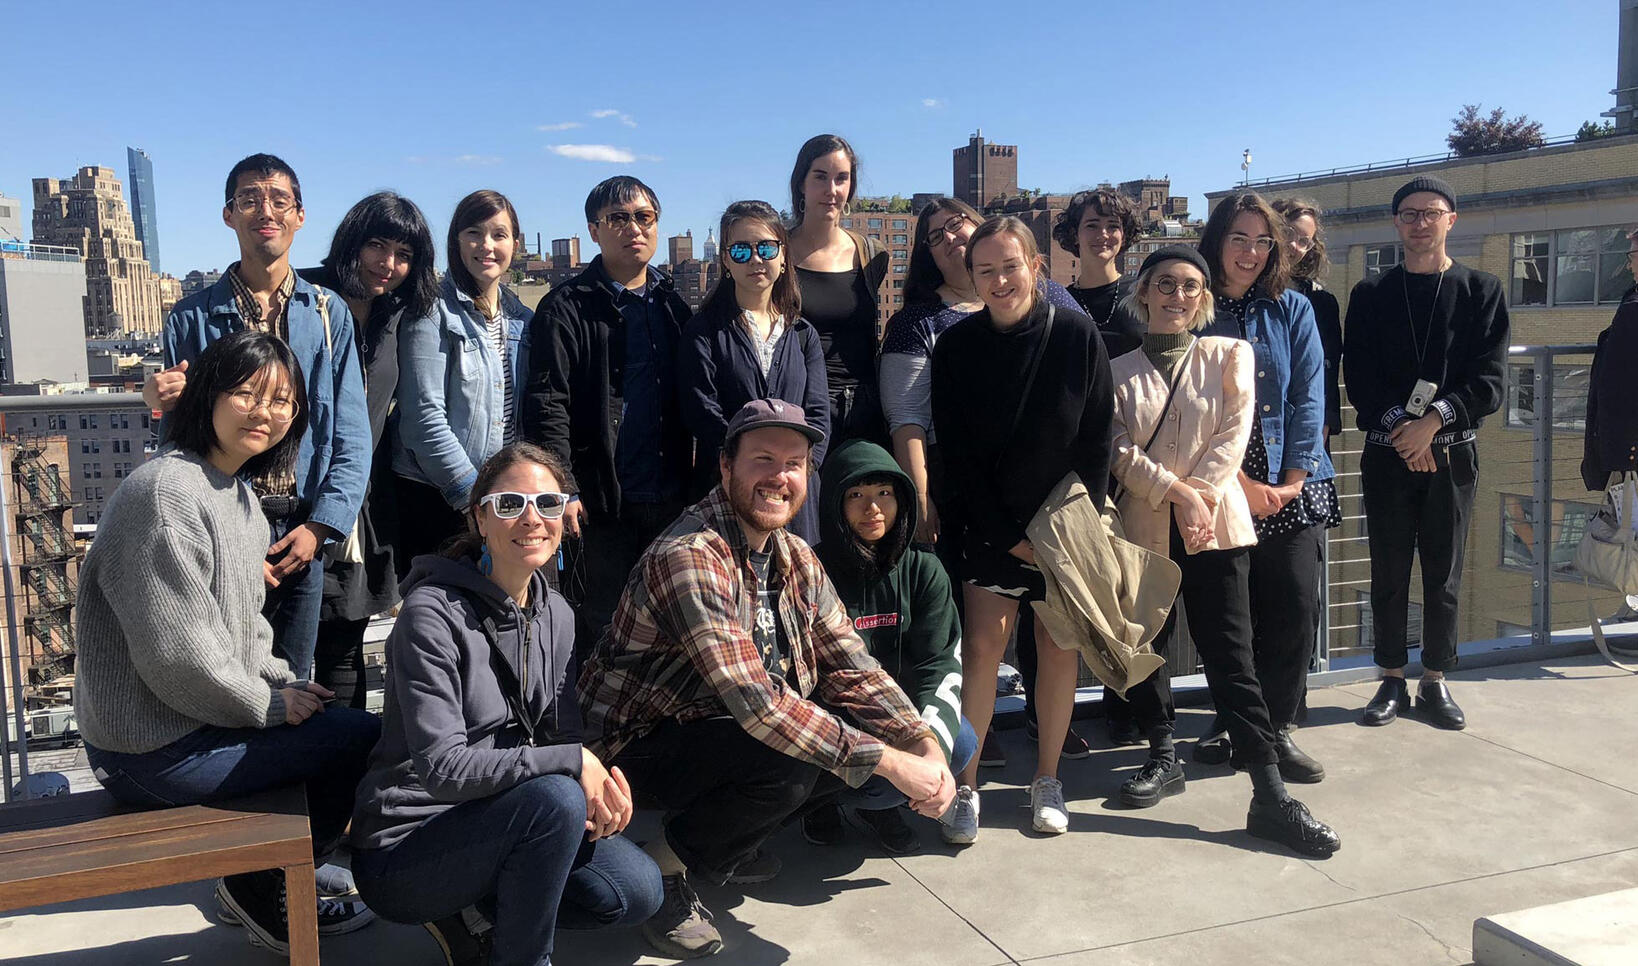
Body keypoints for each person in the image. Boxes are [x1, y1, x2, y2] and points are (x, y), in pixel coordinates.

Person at [579, 399, 953, 959]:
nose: (780, 476)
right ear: (725, 467)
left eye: (795, 463)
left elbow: (852, 666)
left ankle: (730, 838)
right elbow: (759, 706)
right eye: (763, 459)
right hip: (628, 749)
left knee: (876, 745)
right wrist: (894, 762)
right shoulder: (689, 555)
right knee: (803, 757)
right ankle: (667, 869)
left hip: (714, 728)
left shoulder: (794, 555)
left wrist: (923, 745)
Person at [79, 330, 382, 952]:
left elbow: (244, 633)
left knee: (335, 720)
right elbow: (177, 655)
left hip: (195, 724)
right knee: (361, 741)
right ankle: (259, 884)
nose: (264, 412)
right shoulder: (166, 494)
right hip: (150, 748)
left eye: (281, 401)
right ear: (206, 396)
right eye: (246, 393)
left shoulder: (238, 496)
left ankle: (276, 866)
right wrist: (270, 706)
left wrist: (283, 684)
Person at [351, 443, 662, 966]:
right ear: (479, 516)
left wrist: (600, 794)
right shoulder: (432, 614)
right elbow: (444, 770)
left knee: (634, 892)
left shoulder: (556, 613)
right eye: (510, 504)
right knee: (556, 798)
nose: (531, 518)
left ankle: (481, 909)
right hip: (408, 848)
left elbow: (561, 739)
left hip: (500, 816)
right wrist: (571, 767)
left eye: (547, 503)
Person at [1108, 246, 1340, 858]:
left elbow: (1234, 435)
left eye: (1189, 286)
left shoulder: (1230, 354)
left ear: (1204, 297)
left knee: (1231, 653)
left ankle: (1268, 791)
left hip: (1216, 528)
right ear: (1143, 292)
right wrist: (1177, 493)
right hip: (1147, 530)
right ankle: (1163, 752)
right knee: (1146, 646)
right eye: (1164, 285)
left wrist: (1197, 499)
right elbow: (1118, 450)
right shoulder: (1117, 370)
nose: (1176, 296)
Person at [877, 199, 1090, 766]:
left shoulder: (1064, 315)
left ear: (1033, 264)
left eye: (957, 225)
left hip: (1060, 510)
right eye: (934, 235)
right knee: (977, 640)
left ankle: (1049, 743)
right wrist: (921, 494)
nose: (949, 237)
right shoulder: (926, 326)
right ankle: (971, 747)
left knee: (1055, 641)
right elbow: (911, 418)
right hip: (971, 497)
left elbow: (1091, 416)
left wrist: (1083, 516)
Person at [145, 153, 369, 681]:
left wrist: (322, 525)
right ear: (229, 215)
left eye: (278, 200)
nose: (264, 211)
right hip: (220, 522)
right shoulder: (192, 316)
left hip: (300, 525)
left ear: (299, 215)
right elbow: (176, 436)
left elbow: (352, 435)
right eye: (249, 199)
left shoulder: (326, 313)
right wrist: (158, 398)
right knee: (220, 672)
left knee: (292, 679)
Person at [930, 217, 1114, 837]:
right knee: (982, 652)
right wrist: (1006, 533)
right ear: (972, 277)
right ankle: (966, 784)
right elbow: (955, 456)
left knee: (1059, 652)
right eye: (986, 270)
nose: (1000, 280)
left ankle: (1048, 778)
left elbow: (1096, 440)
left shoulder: (1076, 335)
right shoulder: (957, 348)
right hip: (991, 526)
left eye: (1011, 267)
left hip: (1065, 528)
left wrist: (1073, 526)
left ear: (1036, 267)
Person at [1344, 176, 1510, 730]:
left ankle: (1435, 679)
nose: (1419, 222)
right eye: (1409, 214)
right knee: (1389, 569)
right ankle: (1391, 676)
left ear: (1450, 220)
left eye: (1430, 212)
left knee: (1444, 571)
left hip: (1453, 455)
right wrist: (1404, 431)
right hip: (1389, 455)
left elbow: (1489, 380)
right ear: (1396, 223)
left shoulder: (1481, 289)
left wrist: (1433, 422)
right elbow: (1361, 378)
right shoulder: (1370, 295)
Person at [1189, 193, 1338, 784]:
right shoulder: (1194, 307)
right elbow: (1190, 411)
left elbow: (1310, 395)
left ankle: (1275, 731)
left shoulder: (1293, 308)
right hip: (1224, 484)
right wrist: (1242, 483)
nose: (1250, 253)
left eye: (1262, 241)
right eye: (1238, 239)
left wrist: (1293, 477)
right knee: (1232, 618)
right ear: (1217, 241)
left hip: (1294, 482)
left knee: (1295, 610)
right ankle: (1236, 724)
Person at [522, 176, 694, 657]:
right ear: (594, 231)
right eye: (617, 218)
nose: (633, 228)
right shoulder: (567, 308)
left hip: (671, 498)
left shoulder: (674, 306)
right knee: (601, 628)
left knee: (669, 626)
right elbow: (547, 402)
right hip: (599, 504)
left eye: (644, 217)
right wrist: (565, 486)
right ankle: (593, 731)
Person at [299, 191, 439, 708]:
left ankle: (340, 777)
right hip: (296, 496)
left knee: (343, 642)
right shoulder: (304, 297)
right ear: (351, 242)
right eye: (377, 246)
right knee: (283, 644)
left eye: (403, 254)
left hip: (362, 500)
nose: (389, 264)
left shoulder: (398, 315)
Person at [811, 438, 978, 850]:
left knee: (961, 744)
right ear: (834, 502)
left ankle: (880, 808)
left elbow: (939, 667)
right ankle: (817, 806)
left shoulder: (924, 569)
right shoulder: (810, 569)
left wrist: (930, 755)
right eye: (857, 495)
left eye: (884, 493)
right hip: (832, 726)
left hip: (902, 719)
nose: (873, 508)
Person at [678, 200, 829, 544]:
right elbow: (700, 410)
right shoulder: (703, 330)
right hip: (728, 490)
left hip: (793, 496)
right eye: (742, 250)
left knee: (794, 588)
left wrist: (798, 469)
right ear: (726, 261)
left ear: (783, 255)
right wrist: (745, 467)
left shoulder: (803, 334)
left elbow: (819, 414)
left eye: (766, 247)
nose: (756, 259)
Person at [394, 189, 530, 567]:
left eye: (499, 235)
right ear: (456, 240)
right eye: (474, 233)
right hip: (438, 498)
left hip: (497, 501)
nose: (486, 245)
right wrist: (471, 495)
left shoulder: (522, 320)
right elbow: (423, 418)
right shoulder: (430, 310)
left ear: (515, 245)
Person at [786, 134, 890, 447]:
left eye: (841, 179)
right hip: (798, 410)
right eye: (820, 177)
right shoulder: (776, 253)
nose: (832, 190)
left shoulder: (872, 254)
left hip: (862, 412)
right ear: (801, 184)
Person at [1273, 198, 1344, 445]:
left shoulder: (1322, 301)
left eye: (1303, 241)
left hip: (1306, 427)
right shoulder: (1243, 294)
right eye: (1287, 233)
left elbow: (1328, 369)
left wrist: (1326, 423)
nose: (1293, 245)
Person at [1055, 187, 1144, 355]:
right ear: (1074, 234)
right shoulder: (1060, 303)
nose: (1103, 234)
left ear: (1124, 235)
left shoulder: (1143, 295)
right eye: (1092, 225)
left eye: (1113, 226)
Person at [1583, 231, 1638, 492]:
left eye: (1632, 255)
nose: (1629, 264)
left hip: (1629, 460)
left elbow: (1614, 392)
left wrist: (1617, 460)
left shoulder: (1632, 311)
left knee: (1623, 527)